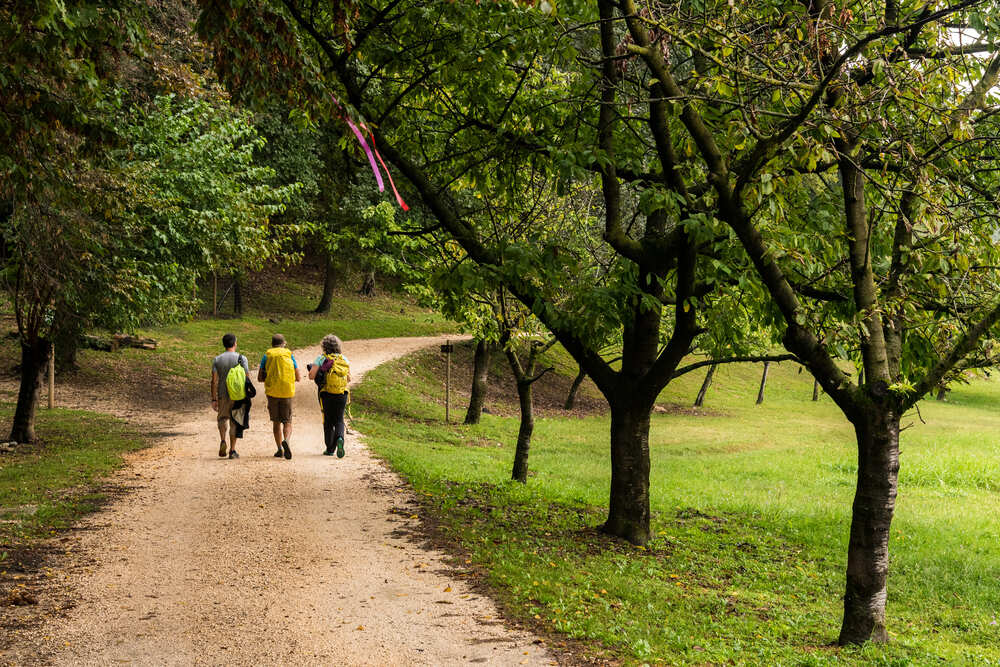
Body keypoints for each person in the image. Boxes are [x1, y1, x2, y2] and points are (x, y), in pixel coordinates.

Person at [258, 333, 301, 459]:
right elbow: (298, 377)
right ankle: (286, 440)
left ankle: (279, 449)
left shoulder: (267, 355)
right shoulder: (289, 355)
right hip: (287, 392)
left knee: (276, 422)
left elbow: (260, 378)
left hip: (272, 393)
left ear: (272, 344)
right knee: (287, 421)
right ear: (284, 343)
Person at [308, 334, 351, 458]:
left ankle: (330, 449)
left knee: (328, 421)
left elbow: (311, 375)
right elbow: (349, 378)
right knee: (339, 420)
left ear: (324, 346)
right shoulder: (344, 359)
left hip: (326, 393)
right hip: (342, 393)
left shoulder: (321, 358)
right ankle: (340, 439)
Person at [211, 333, 250, 460]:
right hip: (237, 395)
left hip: (222, 394)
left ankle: (223, 440)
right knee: (234, 421)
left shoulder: (217, 359)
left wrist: (214, 399)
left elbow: (214, 381)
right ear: (235, 343)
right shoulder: (242, 358)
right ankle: (232, 450)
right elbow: (247, 378)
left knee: (222, 418)